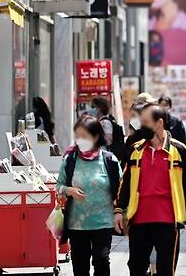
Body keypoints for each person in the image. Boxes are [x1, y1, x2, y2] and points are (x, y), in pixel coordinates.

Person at [114, 104, 186, 276]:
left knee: (165, 269)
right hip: (138, 220)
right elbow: (125, 182)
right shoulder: (135, 150)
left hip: (168, 220)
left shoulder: (179, 150)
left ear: (159, 123)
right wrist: (118, 210)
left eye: (145, 122)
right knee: (136, 268)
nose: (141, 126)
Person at [56, 117, 121, 276]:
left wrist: (120, 213)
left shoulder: (109, 160)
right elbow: (59, 186)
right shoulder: (70, 159)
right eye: (77, 136)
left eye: (84, 136)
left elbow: (120, 188)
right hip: (77, 224)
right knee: (80, 266)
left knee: (101, 260)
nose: (80, 140)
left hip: (103, 222)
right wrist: (69, 190)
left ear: (96, 136)